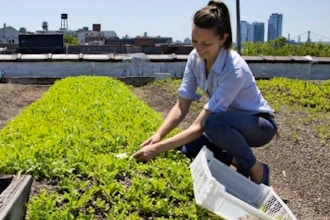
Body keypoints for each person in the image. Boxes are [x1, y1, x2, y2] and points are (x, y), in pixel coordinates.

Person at [132, 0, 277, 186]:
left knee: (213, 124)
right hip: (224, 122)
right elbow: (181, 106)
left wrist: (157, 149)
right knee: (186, 151)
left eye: (206, 43)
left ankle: (257, 169)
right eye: (194, 41)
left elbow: (201, 125)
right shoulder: (195, 58)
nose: (199, 49)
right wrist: (158, 136)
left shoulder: (234, 68)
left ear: (222, 39)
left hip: (258, 125)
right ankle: (237, 160)